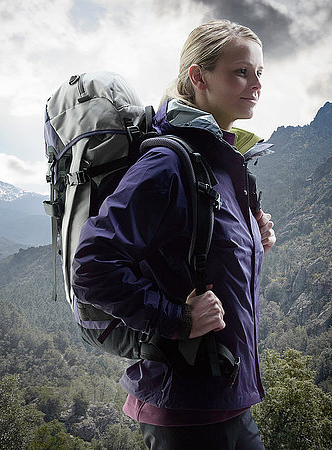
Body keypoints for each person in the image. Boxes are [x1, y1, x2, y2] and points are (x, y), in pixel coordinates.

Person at [72, 19, 275, 449]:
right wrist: (176, 320)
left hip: (230, 397)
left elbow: (194, 248)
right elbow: (90, 266)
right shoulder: (166, 164)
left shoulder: (220, 157)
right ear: (198, 76)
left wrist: (250, 236)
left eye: (260, 72)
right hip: (185, 412)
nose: (256, 83)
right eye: (241, 71)